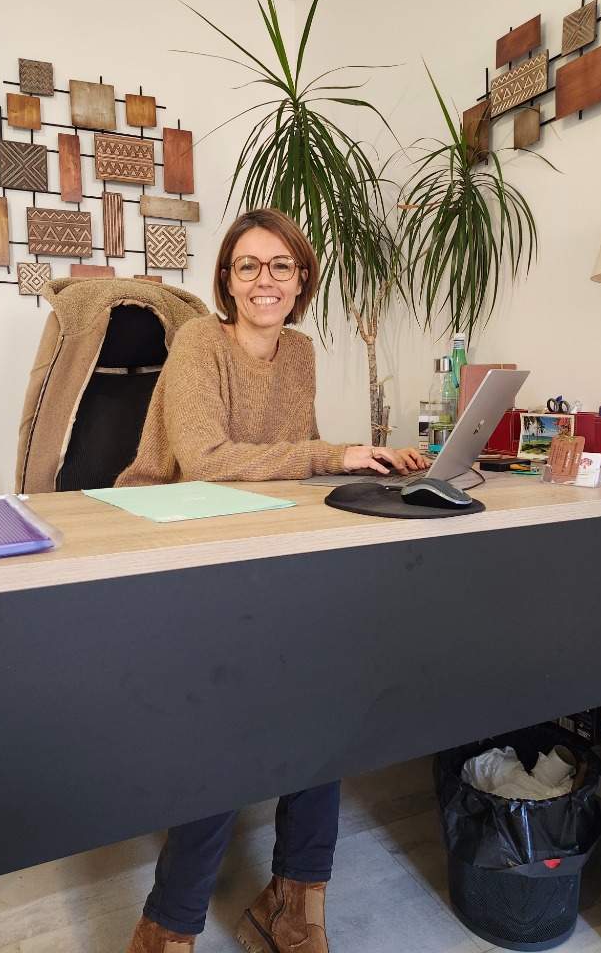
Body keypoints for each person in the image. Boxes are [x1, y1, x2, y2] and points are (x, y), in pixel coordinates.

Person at [119, 208, 427, 953]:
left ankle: (297, 899)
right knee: (234, 715)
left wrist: (363, 466)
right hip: (173, 540)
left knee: (323, 691)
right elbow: (206, 462)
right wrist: (331, 454)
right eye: (248, 265)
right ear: (227, 280)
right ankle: (169, 924)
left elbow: (289, 460)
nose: (266, 280)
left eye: (281, 265)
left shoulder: (300, 351)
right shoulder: (199, 343)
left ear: (301, 279)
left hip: (258, 538)